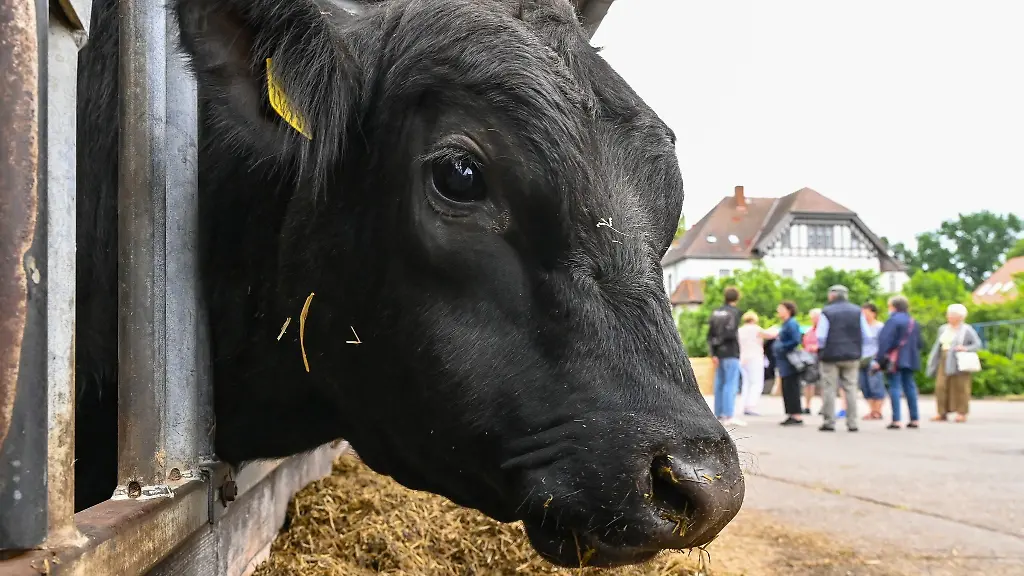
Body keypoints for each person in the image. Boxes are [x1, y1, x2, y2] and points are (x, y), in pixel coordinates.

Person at [816, 285, 867, 432]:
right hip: (852, 355)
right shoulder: (858, 311)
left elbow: (821, 336)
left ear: (832, 295)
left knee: (829, 388)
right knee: (851, 388)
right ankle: (852, 422)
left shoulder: (827, 312)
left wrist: (821, 349)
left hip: (830, 355)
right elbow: (867, 334)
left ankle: (829, 422)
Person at [873, 295, 925, 429]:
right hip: (911, 359)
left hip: (895, 360)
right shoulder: (913, 321)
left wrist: (879, 359)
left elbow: (884, 341)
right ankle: (915, 419)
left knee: (895, 387)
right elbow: (920, 343)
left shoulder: (893, 321)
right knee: (910, 387)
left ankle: (896, 420)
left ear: (893, 307)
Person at [926, 303, 981, 423]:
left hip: (959, 361)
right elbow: (938, 346)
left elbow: (977, 344)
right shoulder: (943, 329)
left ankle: (962, 413)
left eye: (951, 315)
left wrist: (965, 348)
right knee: (941, 386)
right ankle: (941, 412)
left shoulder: (967, 329)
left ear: (960, 317)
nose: (948, 317)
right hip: (943, 359)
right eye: (948, 314)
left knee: (961, 387)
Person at [708, 287, 744, 426]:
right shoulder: (734, 312)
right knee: (730, 383)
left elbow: (710, 334)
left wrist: (714, 352)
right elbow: (730, 332)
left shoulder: (716, 312)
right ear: (737, 298)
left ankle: (719, 414)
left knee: (720, 383)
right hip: (730, 351)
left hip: (718, 353)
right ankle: (729, 414)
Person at [735, 311, 777, 417]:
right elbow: (770, 335)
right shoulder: (755, 329)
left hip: (743, 358)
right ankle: (751, 405)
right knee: (756, 382)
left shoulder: (740, 330)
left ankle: (744, 405)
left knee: (746, 383)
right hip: (755, 357)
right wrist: (775, 329)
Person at [773, 301, 804, 426]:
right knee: (787, 386)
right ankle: (791, 413)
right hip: (784, 361)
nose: (778, 311)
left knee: (792, 386)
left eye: (781, 309)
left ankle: (796, 414)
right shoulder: (786, 324)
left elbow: (796, 340)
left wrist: (782, 347)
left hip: (789, 360)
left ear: (788, 310)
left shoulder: (791, 323)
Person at [859, 302, 887, 420]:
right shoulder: (861, 327)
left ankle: (877, 411)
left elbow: (884, 344)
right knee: (864, 385)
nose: (864, 316)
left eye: (867, 313)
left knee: (876, 384)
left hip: (874, 358)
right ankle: (872, 410)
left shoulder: (880, 327)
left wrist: (880, 359)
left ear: (874, 313)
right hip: (861, 359)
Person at [801, 308, 822, 415]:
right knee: (808, 383)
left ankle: (824, 406)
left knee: (823, 383)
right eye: (812, 318)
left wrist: (817, 347)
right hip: (809, 358)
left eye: (815, 318)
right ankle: (807, 406)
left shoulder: (824, 330)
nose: (813, 320)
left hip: (821, 357)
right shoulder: (809, 331)